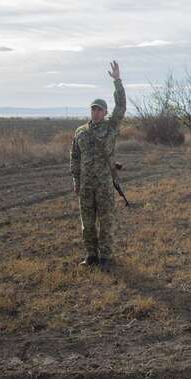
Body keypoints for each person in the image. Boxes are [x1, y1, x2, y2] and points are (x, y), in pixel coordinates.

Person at [70, 61, 126, 271]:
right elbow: (75, 157)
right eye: (93, 109)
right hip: (86, 185)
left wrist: (117, 81)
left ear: (105, 112)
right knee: (87, 223)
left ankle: (106, 256)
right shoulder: (80, 132)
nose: (95, 112)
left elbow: (121, 106)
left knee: (106, 221)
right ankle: (91, 255)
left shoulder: (111, 127)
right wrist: (76, 180)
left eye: (99, 110)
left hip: (104, 184)